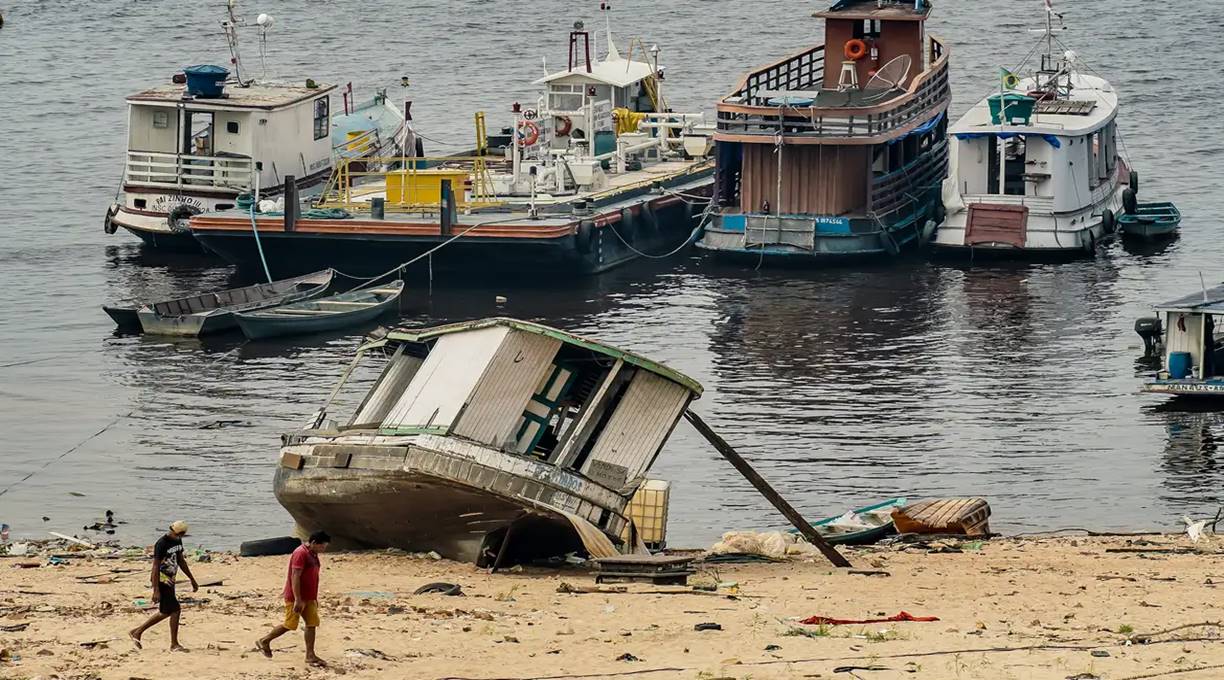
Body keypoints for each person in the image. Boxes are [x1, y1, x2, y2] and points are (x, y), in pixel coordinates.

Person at [256, 531, 330, 667]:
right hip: (297, 597)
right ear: (314, 543)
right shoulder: (300, 553)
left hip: (309, 597)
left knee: (312, 623)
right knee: (290, 624)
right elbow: (295, 576)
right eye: (322, 546)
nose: (323, 549)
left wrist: (314, 597)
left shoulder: (313, 554)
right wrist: (297, 599)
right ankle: (265, 640)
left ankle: (310, 655)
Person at [129, 521, 199, 651]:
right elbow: (155, 566)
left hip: (171, 579)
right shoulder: (161, 543)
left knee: (166, 611)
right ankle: (174, 644)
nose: (180, 536)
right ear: (177, 532)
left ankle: (137, 632)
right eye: (180, 534)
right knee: (175, 610)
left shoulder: (177, 541)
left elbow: (181, 560)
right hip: (161, 579)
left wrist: (192, 579)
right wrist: (155, 590)